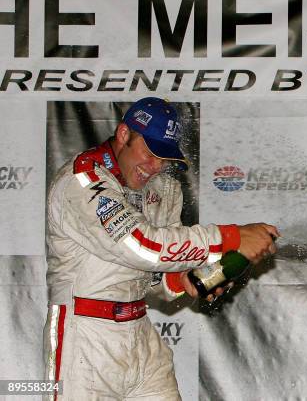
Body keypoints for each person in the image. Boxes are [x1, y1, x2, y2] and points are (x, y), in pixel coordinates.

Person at [43, 97, 279, 400]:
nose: (155, 166)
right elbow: (143, 246)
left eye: (164, 157)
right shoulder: (83, 179)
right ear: (124, 134)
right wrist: (232, 237)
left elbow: (157, 273)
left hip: (139, 332)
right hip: (85, 337)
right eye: (151, 152)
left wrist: (188, 279)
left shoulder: (163, 189)